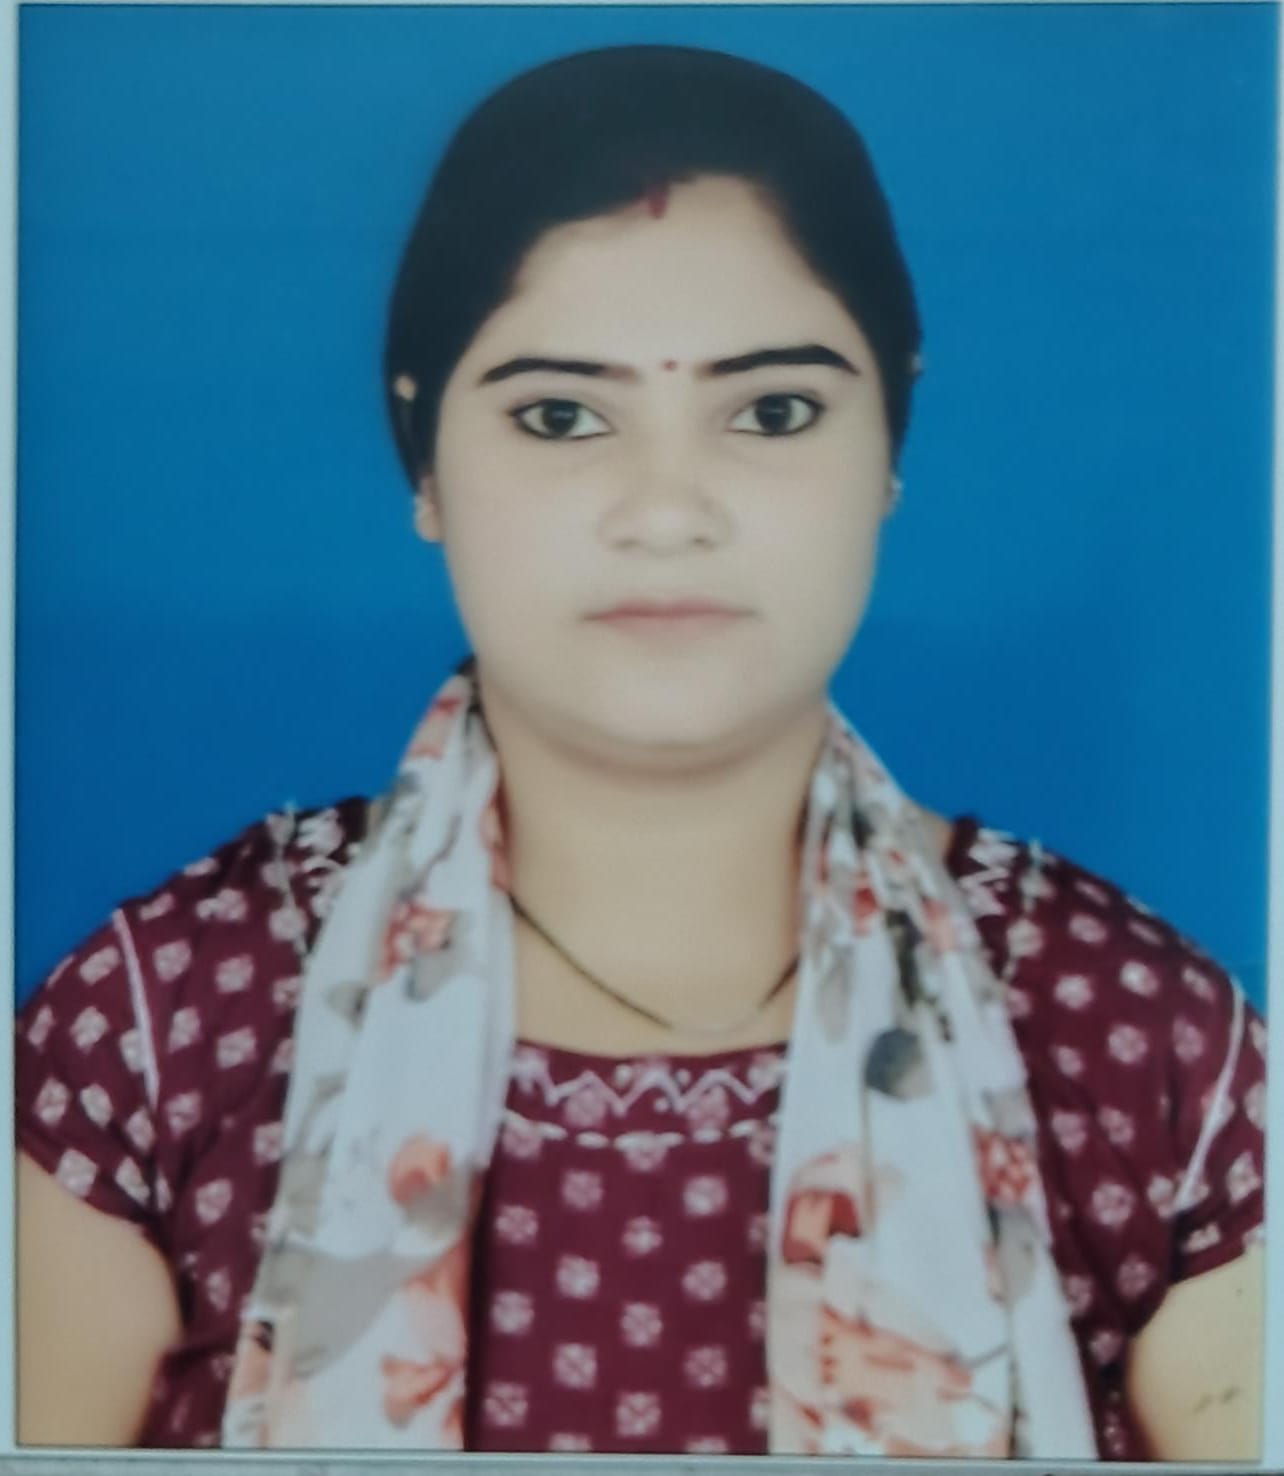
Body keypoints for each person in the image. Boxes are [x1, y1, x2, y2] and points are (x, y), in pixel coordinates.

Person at [15, 43, 1266, 1460]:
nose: (668, 512)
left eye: (773, 412)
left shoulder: (1143, 1048)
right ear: (425, 459)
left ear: (889, 444)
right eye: (561, 416)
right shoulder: (164, 1023)